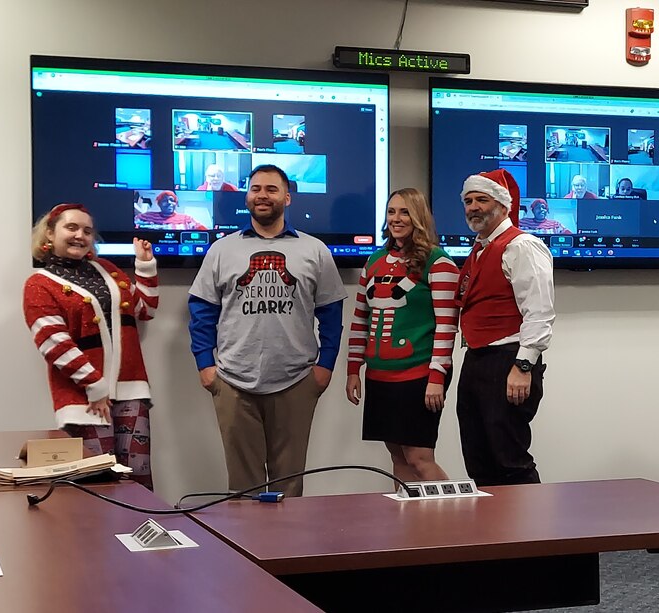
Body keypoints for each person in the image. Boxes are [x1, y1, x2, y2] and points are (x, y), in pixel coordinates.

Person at [188, 164, 346, 497]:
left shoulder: (314, 250)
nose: (263, 195)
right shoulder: (222, 249)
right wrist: (205, 364)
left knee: (289, 484)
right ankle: (247, 549)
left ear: (287, 198)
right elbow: (201, 310)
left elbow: (331, 313)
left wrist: (325, 367)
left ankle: (286, 549)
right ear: (246, 196)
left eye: (271, 189)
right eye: (256, 188)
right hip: (233, 381)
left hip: (296, 380)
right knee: (242, 487)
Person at [23, 203, 159, 490]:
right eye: (71, 228)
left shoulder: (107, 270)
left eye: (86, 230)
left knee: (137, 479)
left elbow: (145, 310)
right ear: (49, 233)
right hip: (83, 397)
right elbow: (53, 341)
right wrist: (95, 385)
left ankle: (139, 532)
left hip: (131, 388)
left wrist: (145, 265)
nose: (80, 236)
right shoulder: (39, 283)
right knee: (97, 482)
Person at [345, 188, 459, 484]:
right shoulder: (374, 261)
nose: (396, 219)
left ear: (418, 217)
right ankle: (411, 525)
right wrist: (353, 370)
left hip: (419, 375)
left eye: (405, 212)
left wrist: (437, 376)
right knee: (397, 457)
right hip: (380, 376)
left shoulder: (439, 261)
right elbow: (360, 319)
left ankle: (453, 522)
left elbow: (447, 325)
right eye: (392, 211)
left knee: (419, 459)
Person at [457, 169, 555, 486]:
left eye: (481, 199)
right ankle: (492, 532)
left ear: (502, 205)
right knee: (479, 459)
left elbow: (539, 311)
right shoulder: (480, 249)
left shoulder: (522, 246)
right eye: (468, 200)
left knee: (509, 459)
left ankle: (531, 534)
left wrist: (523, 365)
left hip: (508, 360)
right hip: (478, 359)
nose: (473, 206)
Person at [135, 190, 208, 230]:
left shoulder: (186, 218)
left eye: (172, 200)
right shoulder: (148, 216)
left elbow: (203, 230)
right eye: (164, 200)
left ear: (175, 204)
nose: (169, 203)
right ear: (159, 204)